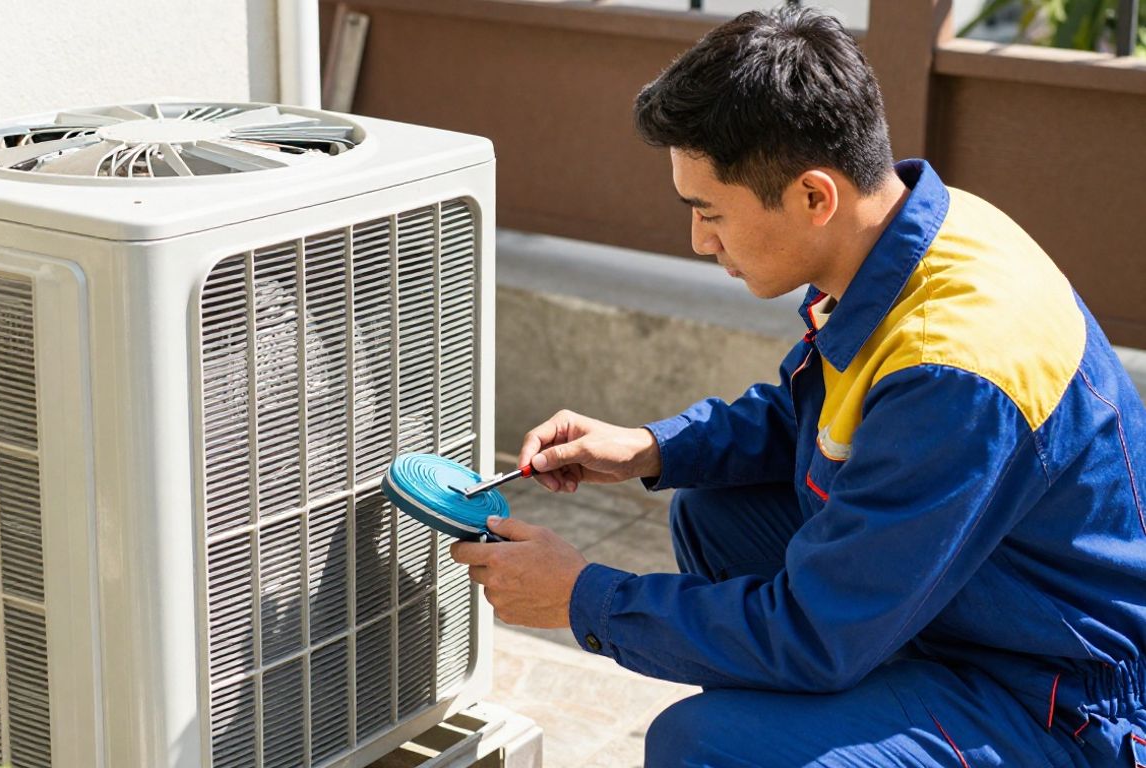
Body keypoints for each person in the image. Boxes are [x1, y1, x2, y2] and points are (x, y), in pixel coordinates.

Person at [449, 7, 1146, 767]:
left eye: (710, 212)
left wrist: (582, 597)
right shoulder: (914, 233)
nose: (699, 241)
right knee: (716, 511)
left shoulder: (954, 367)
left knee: (703, 747)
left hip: (1058, 698)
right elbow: (819, 421)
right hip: (976, 592)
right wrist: (652, 448)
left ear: (815, 197)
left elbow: (816, 633)